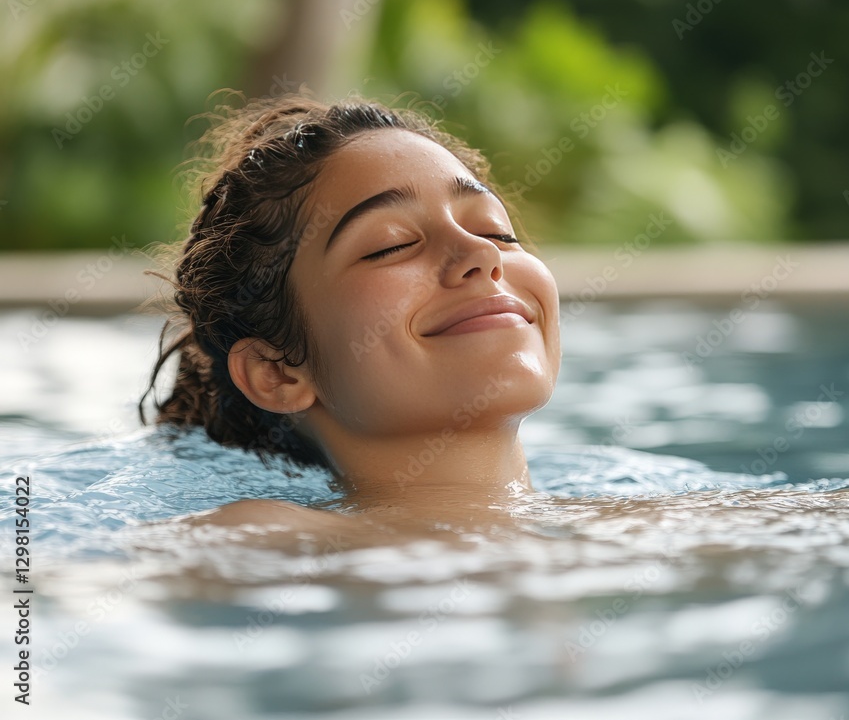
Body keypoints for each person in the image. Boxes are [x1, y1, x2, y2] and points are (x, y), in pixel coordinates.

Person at [142, 92, 562, 546]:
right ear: (277, 371)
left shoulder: (643, 523)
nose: (482, 252)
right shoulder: (259, 541)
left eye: (496, 232)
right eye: (392, 244)